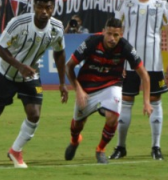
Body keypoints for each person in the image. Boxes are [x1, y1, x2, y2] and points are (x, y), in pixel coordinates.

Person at [0, 0, 66, 169]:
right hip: (5, 73)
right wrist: (19, 66)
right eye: (40, 7)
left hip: (29, 75)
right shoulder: (19, 23)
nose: (44, 11)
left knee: (34, 114)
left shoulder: (57, 28)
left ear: (53, 8)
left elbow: (59, 54)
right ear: (33, 6)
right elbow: (0, 48)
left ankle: (15, 151)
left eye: (48, 7)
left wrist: (62, 83)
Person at [109, 0, 168, 161]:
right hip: (128, 63)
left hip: (153, 63)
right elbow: (114, 31)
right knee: (126, 102)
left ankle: (156, 147)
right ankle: (121, 147)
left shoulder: (162, 4)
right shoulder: (126, 3)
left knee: (155, 102)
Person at [65, 18, 151, 164]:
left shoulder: (125, 48)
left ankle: (100, 149)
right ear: (104, 32)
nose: (112, 38)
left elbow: (144, 75)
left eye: (116, 35)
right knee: (77, 125)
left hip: (111, 85)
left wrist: (146, 102)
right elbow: (69, 66)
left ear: (121, 35)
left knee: (113, 117)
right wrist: (78, 90)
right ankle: (75, 140)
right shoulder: (92, 42)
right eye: (109, 34)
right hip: (87, 87)